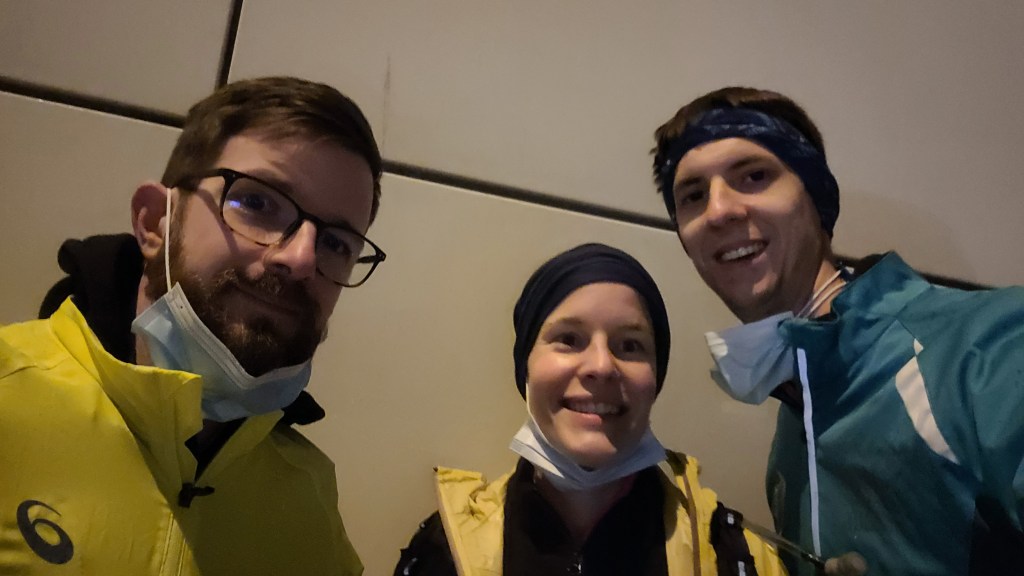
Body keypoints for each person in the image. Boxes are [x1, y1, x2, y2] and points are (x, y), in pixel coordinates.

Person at [0, 76, 387, 575]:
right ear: (154, 222)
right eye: (258, 203)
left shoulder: (310, 505)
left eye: (336, 243)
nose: (300, 258)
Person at [650, 86, 1024, 574]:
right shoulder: (790, 444)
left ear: (817, 197)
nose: (718, 211)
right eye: (693, 196)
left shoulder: (989, 344)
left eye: (754, 176)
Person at [393, 243, 787, 576]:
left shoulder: (736, 557)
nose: (601, 366)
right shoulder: (441, 552)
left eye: (629, 345)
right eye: (569, 339)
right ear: (525, 366)